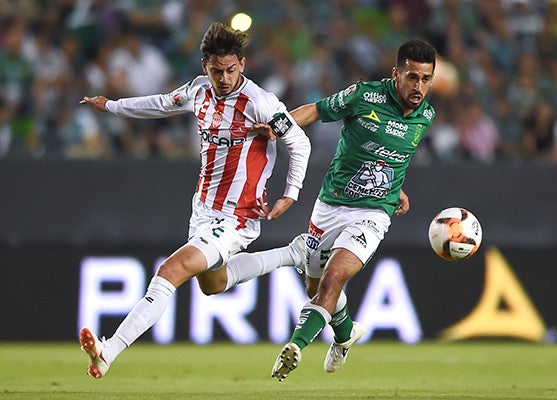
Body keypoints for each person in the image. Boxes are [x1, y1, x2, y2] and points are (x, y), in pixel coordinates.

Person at [78, 22, 311, 379]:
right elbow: (158, 104)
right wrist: (111, 106)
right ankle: (291, 254)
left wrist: (290, 194)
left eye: (231, 70)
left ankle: (109, 351)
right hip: (202, 212)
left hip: (236, 217)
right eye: (217, 71)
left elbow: (299, 142)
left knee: (169, 271)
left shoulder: (260, 103)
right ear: (205, 67)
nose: (224, 78)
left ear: (243, 65)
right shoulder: (199, 91)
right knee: (212, 284)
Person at [269, 39, 437, 381]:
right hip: (330, 204)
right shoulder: (364, 96)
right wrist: (278, 129)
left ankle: (295, 346)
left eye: (425, 79)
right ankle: (345, 336)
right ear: (396, 74)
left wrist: (394, 188)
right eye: (412, 77)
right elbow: (315, 110)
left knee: (333, 278)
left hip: (374, 213)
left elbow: (393, 156)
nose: (418, 86)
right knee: (314, 290)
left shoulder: (427, 117)